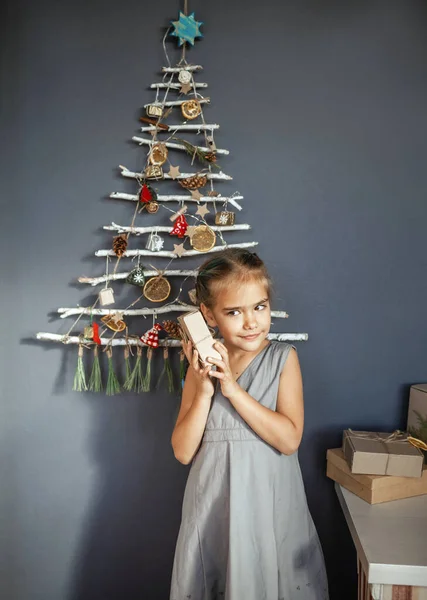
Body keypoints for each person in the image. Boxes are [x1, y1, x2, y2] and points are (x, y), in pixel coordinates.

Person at [170, 249, 329, 600]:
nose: (251, 322)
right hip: (215, 507)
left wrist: (232, 389)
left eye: (259, 307)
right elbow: (183, 452)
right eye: (233, 312)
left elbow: (289, 440)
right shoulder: (202, 368)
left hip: (266, 508)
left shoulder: (283, 358)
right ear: (209, 316)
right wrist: (205, 391)